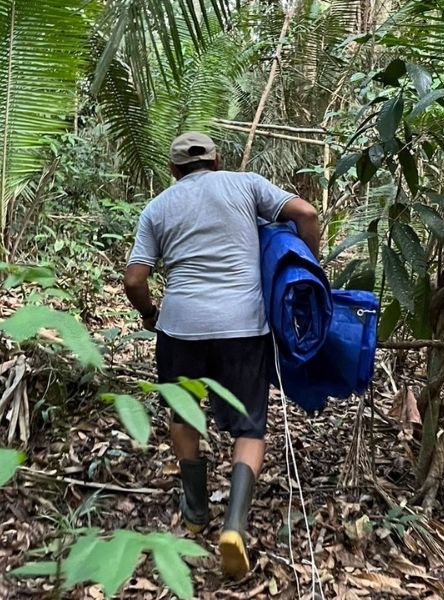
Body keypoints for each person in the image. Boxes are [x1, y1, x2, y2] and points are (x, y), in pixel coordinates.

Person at [123, 132, 319, 579]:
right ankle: (234, 525)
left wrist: (152, 315)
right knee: (250, 424)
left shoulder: (157, 208)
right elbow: (305, 213)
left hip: (181, 326)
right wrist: (311, 270)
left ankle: (194, 511)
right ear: (218, 160)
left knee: (183, 412)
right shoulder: (246, 184)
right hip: (242, 326)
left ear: (173, 170)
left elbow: (135, 280)